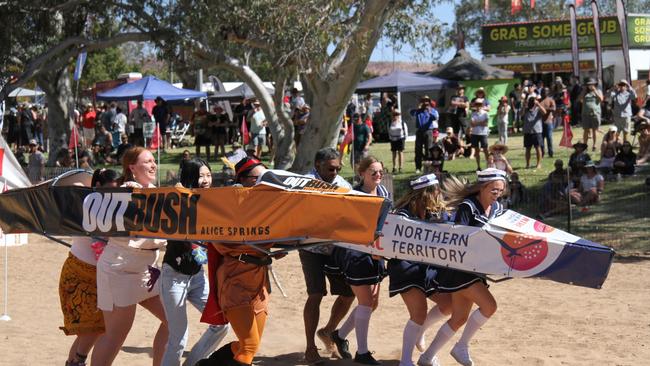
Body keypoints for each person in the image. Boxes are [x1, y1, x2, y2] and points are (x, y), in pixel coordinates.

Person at [418, 168, 506, 366]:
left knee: (458, 318)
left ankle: (427, 356)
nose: (497, 195)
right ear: (482, 188)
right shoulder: (469, 206)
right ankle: (461, 346)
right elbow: (459, 238)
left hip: (476, 270)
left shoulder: (498, 208)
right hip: (461, 270)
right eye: (494, 190)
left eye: (500, 191)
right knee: (489, 306)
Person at [200, 157, 282, 365]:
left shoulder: (269, 206)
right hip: (235, 279)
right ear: (243, 179)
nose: (264, 182)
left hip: (259, 283)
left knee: (247, 345)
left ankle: (206, 364)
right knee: (249, 346)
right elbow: (219, 242)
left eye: (267, 177)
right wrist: (255, 247)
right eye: (258, 178)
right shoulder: (225, 205)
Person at [91, 147, 168, 366]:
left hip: (147, 270)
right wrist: (128, 196)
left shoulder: (159, 192)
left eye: (154, 161)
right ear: (132, 168)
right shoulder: (122, 193)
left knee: (173, 321)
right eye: (147, 162)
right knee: (116, 336)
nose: (153, 165)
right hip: (119, 267)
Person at [160, 158, 229, 366]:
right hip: (174, 276)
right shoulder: (177, 200)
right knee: (178, 339)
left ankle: (193, 364)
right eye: (201, 175)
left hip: (198, 276)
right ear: (190, 177)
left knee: (221, 323)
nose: (206, 180)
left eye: (209, 175)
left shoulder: (212, 202)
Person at [330, 156, 388, 365]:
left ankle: (339, 335)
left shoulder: (384, 193)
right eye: (373, 171)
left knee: (372, 303)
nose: (378, 174)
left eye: (380, 171)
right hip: (355, 254)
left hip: (376, 254)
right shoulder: (354, 195)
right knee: (365, 302)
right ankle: (362, 353)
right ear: (362, 173)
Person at [388, 174, 452, 366]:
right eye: (437, 190)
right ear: (426, 194)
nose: (440, 194)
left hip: (427, 267)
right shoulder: (401, 215)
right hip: (405, 268)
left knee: (448, 305)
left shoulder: (434, 213)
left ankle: (421, 331)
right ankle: (405, 361)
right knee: (418, 312)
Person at [300, 148, 355, 364]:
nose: (334, 172)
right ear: (317, 166)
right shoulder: (303, 183)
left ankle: (329, 331)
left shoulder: (344, 185)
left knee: (349, 294)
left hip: (336, 249)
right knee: (316, 294)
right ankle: (310, 347)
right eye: (330, 168)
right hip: (310, 248)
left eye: (337, 168)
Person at [59, 169, 119, 366]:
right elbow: (74, 186)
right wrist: (91, 188)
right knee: (92, 328)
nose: (111, 194)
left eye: (116, 190)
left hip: (102, 276)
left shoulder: (117, 206)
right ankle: (77, 362)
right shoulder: (84, 202)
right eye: (108, 189)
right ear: (97, 187)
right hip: (79, 273)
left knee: (96, 328)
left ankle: (74, 362)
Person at [410, 97, 438, 174]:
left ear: (429, 102)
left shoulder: (432, 110)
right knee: (418, 150)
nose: (425, 103)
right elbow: (412, 113)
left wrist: (429, 111)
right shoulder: (418, 111)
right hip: (419, 131)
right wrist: (418, 107)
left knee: (428, 150)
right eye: (424, 101)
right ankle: (418, 167)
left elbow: (435, 117)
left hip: (428, 131)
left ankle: (428, 167)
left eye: (427, 101)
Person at [580, 78, 604, 152]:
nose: (590, 86)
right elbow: (581, 100)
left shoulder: (598, 91)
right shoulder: (584, 92)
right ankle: (585, 145)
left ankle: (594, 145)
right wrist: (584, 91)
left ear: (594, 85)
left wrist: (595, 91)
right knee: (586, 130)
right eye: (588, 85)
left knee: (595, 130)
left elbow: (601, 99)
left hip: (595, 113)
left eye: (591, 84)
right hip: (585, 113)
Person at [522, 94, 546, 169]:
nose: (532, 103)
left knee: (538, 148)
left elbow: (544, 112)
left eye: (533, 101)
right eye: (530, 101)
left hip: (537, 132)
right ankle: (527, 164)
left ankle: (539, 164)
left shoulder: (538, 109)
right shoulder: (526, 109)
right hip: (527, 132)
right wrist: (524, 106)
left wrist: (538, 104)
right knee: (528, 149)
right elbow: (521, 115)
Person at [469, 98, 489, 171]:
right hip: (475, 134)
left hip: (483, 133)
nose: (478, 106)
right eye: (477, 104)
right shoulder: (473, 113)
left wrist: (476, 123)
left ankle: (488, 165)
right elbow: (472, 124)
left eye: (480, 105)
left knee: (486, 150)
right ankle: (478, 166)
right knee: (477, 151)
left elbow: (486, 123)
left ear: (482, 105)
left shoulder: (485, 113)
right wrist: (481, 123)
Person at [388, 109, 408, 174]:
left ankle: (400, 168)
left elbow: (406, 132)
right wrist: (391, 138)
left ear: (399, 115)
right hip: (393, 139)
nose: (395, 116)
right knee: (394, 154)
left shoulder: (402, 123)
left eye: (397, 114)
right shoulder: (389, 123)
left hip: (400, 139)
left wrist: (404, 138)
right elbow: (388, 131)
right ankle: (394, 168)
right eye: (394, 114)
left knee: (400, 152)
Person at [540, 87, 556, 158]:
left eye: (545, 91)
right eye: (543, 91)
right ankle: (542, 153)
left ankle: (550, 152)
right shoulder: (539, 101)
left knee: (549, 138)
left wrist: (544, 109)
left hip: (548, 122)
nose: (544, 93)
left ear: (548, 92)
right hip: (540, 123)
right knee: (541, 139)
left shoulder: (550, 100)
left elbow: (554, 108)